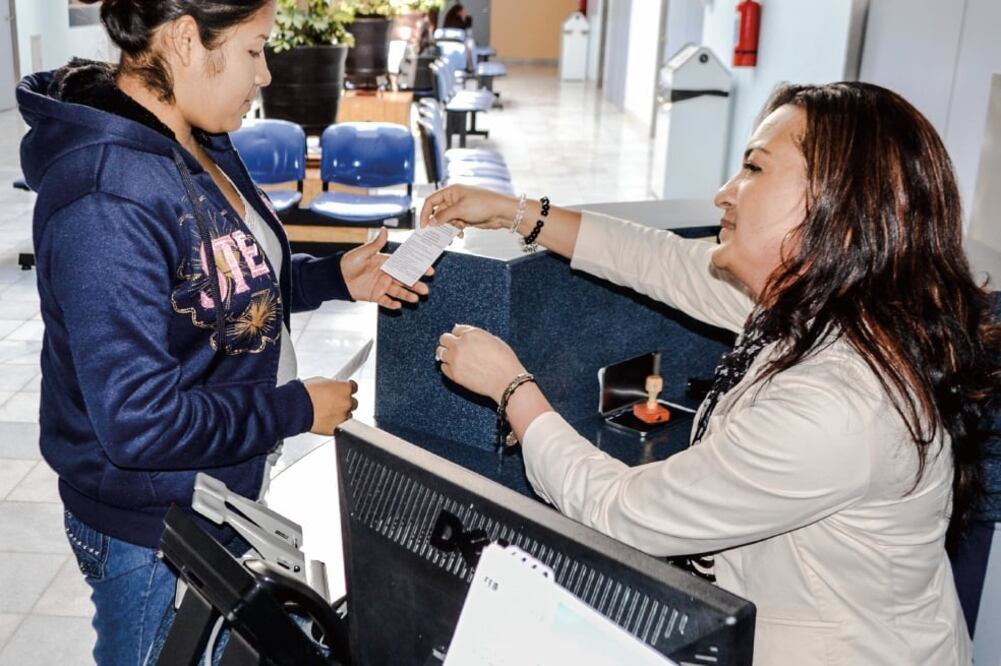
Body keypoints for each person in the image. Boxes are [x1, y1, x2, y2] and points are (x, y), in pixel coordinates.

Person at [422, 82, 999, 664]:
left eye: (754, 167)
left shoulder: (844, 403)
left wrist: (512, 389)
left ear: (840, 204)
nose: (725, 193)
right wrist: (514, 212)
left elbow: (624, 511)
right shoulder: (832, 306)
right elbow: (659, 261)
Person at [17, 0, 429, 663]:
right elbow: (138, 423)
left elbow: (216, 283)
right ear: (185, 39)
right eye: (253, 49)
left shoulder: (193, 136)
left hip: (205, 495)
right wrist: (295, 409)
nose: (265, 73)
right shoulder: (105, 200)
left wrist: (330, 279)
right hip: (149, 527)